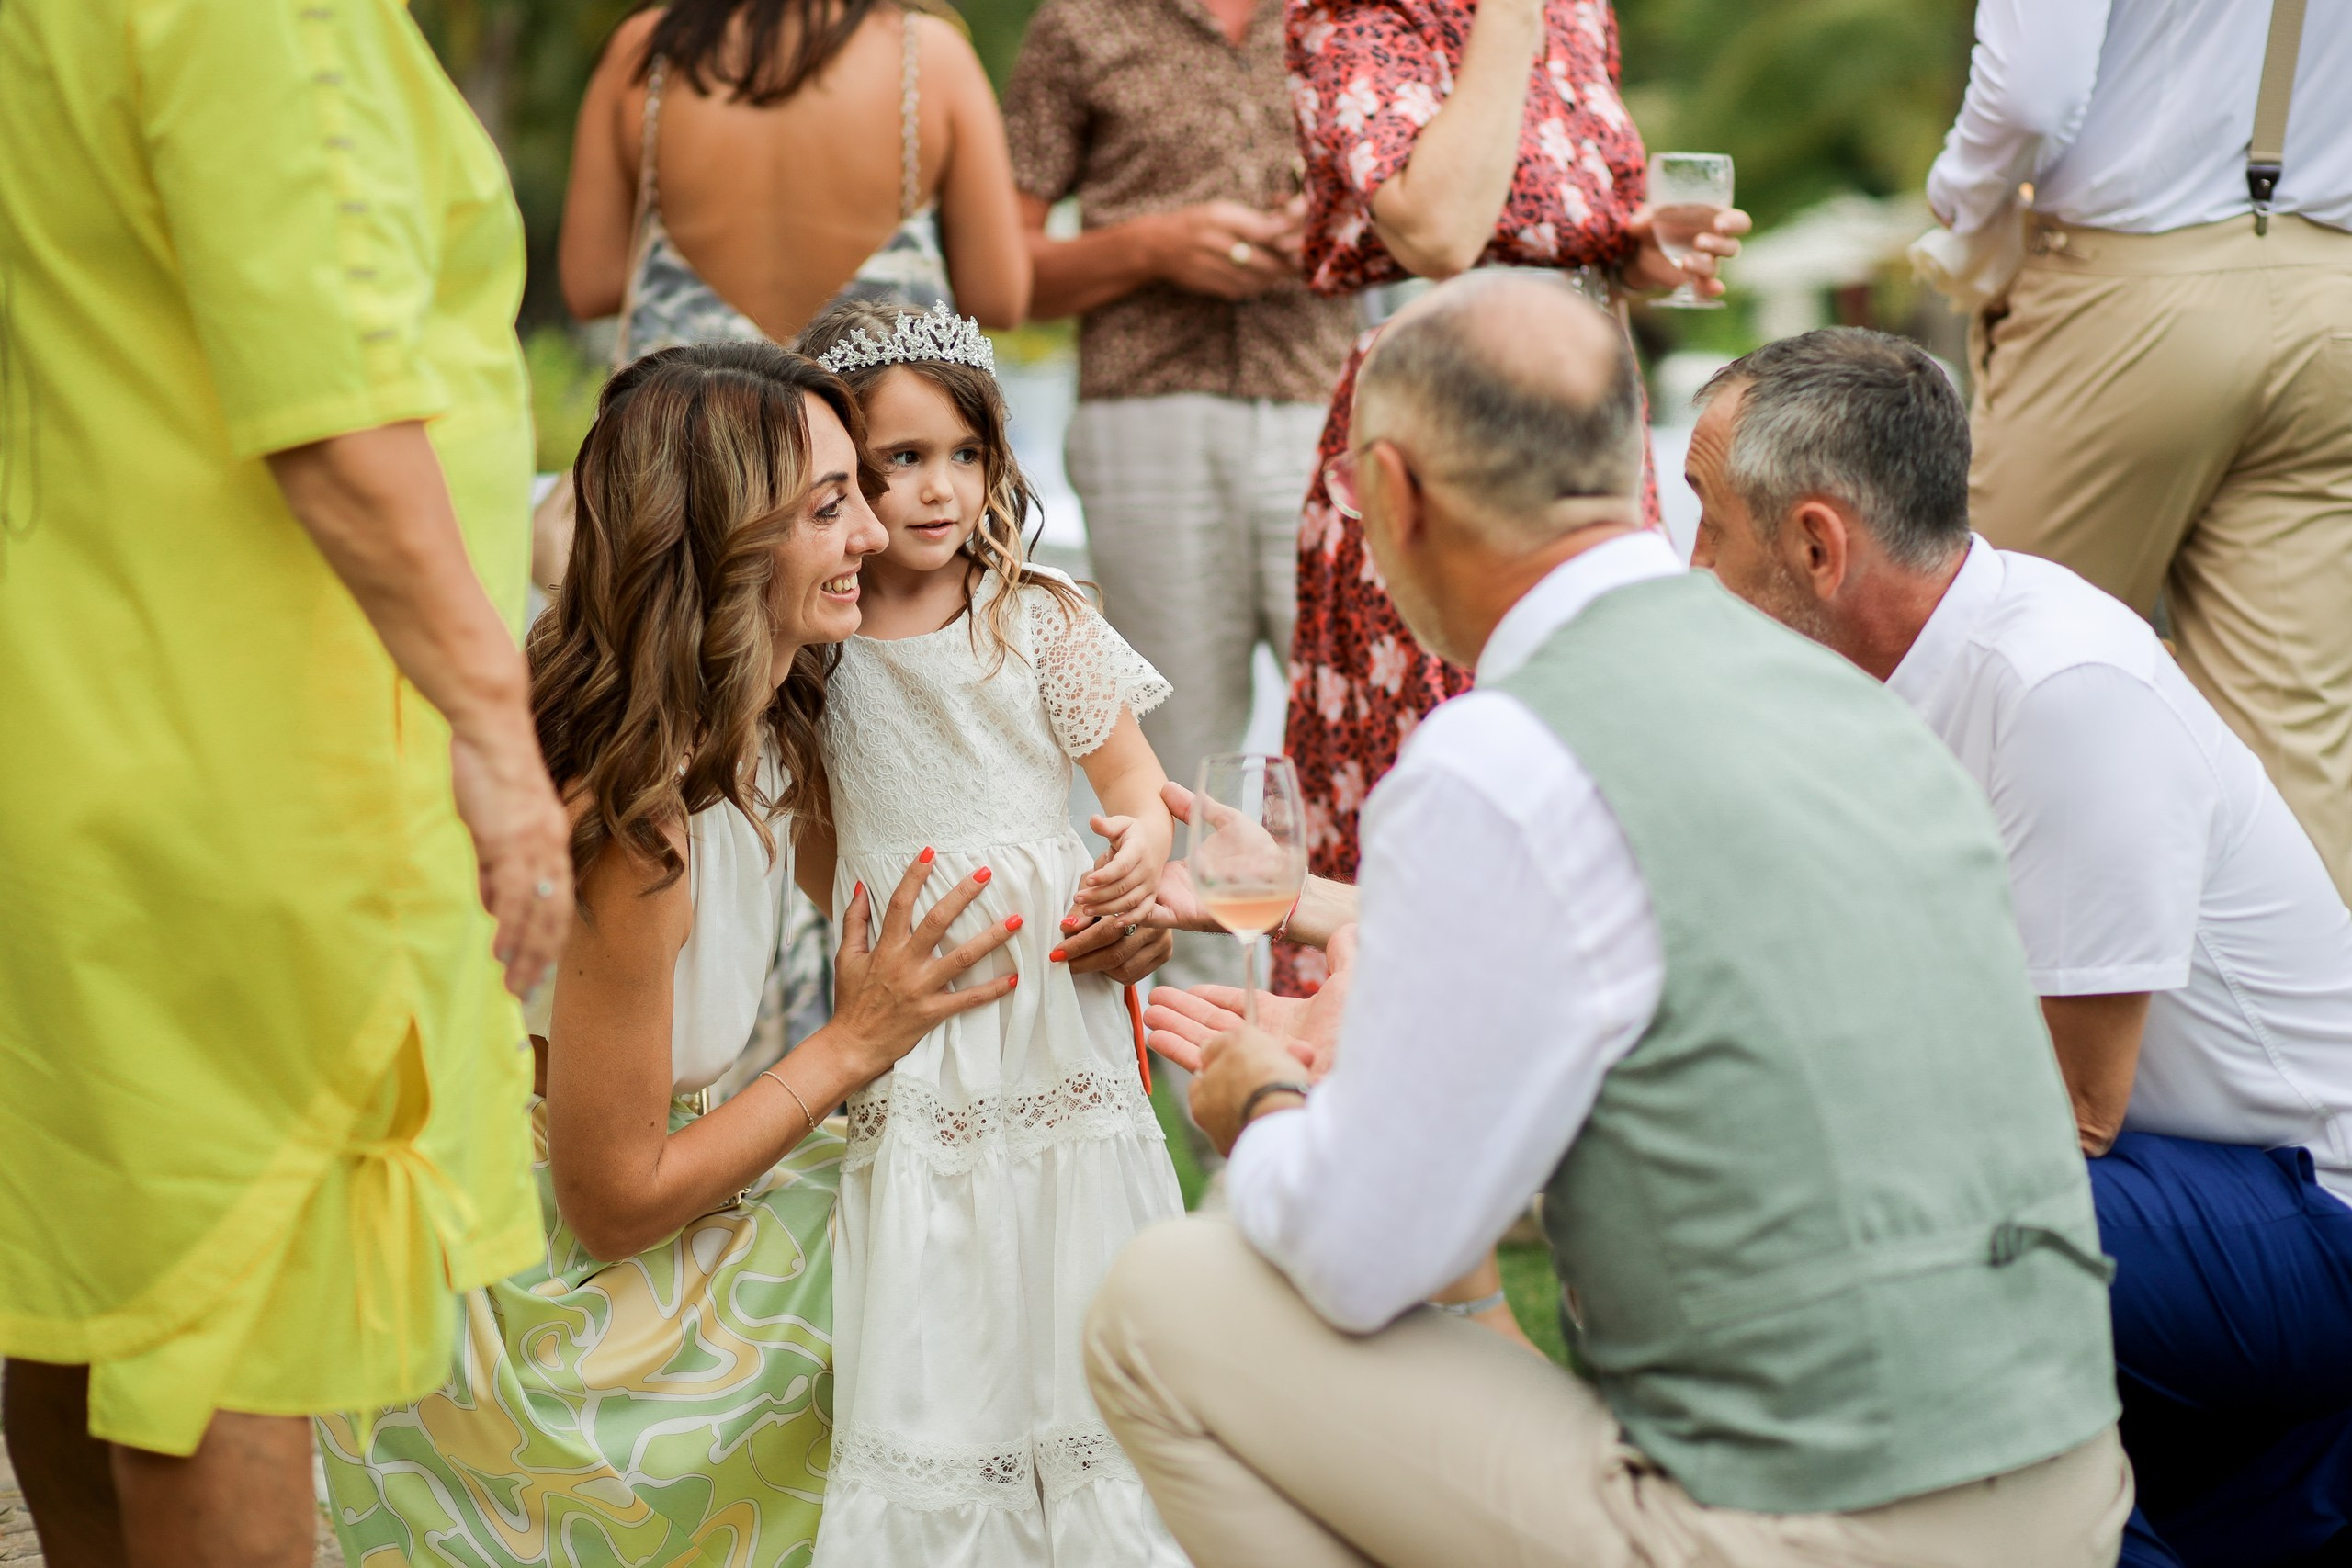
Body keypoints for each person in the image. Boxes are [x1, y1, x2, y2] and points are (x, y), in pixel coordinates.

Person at [1082, 272, 2130, 1568]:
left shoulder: (1504, 754)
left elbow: (1360, 1257)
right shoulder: (1846, 693)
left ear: (1396, 495)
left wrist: (1262, 1099)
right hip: (2076, 1479)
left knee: (1163, 1298)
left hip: (1812, 1519)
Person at [316, 342, 1172, 1563]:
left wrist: (1128, 913)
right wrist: (852, 1043)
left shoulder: (768, 730)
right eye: (831, 505)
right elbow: (608, 1201)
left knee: (987, 1178)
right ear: (724, 539)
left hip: (609, 1236)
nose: (877, 531)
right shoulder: (638, 826)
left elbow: (975, 856)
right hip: (527, 1320)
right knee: (926, 1249)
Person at [0, 5, 573, 1564]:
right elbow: (329, 406)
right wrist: (497, 727)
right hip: (244, 753)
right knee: (221, 1322)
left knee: (92, 1276)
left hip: (80, 705)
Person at [1689, 326, 2352, 1568]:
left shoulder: (2058, 690)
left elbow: (2066, 1109)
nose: (1693, 563)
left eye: (1709, 522)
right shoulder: (1874, 677)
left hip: (2309, 1205)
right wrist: (1315, 900)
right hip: (2175, 1184)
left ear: (1818, 545)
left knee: (1848, 1228)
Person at [792, 301, 1188, 1564]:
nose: (935, 488)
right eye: (896, 460)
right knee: (939, 1245)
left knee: (1068, 1236)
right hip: (915, 988)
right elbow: (808, 841)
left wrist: (1138, 851)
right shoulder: (822, 647)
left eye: (961, 453)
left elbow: (1134, 788)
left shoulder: (1041, 616)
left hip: (1047, 994)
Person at [1273, 0, 1745, 989]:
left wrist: (1641, 249)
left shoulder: (1582, 13)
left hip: (1591, 422)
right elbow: (1442, 231)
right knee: (1452, 756)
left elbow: (1575, 226)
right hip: (1447, 428)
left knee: (1605, 742)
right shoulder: (1358, 20)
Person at [1928, 1, 2352, 902]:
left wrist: (1961, 205)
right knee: (2291, 756)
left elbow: (2031, 93)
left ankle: (1956, 1020)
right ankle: (2306, 1039)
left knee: (1982, 683)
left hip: (2124, 282)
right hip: (2330, 292)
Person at [1001, 0, 1359, 1002]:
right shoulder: (1078, 26)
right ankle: (1220, 1097)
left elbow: (1431, 219)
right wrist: (1153, 247)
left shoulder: (1352, 21)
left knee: (1361, 739)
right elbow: (1000, 272)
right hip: (1148, 415)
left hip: (1328, 416)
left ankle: (1370, 1050)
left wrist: (1332, 237)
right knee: (1181, 775)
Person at [560, 0, 1030, 353]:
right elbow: (999, 296)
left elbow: (592, 286)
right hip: (877, 466)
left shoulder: (646, 54)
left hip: (692, 460)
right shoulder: (929, 55)